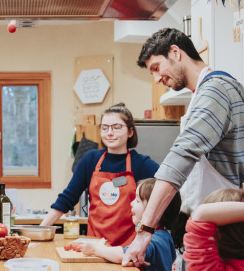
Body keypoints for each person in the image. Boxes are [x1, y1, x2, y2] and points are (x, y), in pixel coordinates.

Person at [123, 29, 244, 271]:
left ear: (175, 52)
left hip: (216, 237)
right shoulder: (203, 93)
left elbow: (182, 156)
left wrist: (145, 231)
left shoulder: (216, 90)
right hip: (201, 232)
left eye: (156, 68)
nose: (157, 78)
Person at [39, 103, 158, 247]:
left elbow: (166, 191)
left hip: (128, 249)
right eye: (105, 127)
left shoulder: (141, 164)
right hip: (94, 247)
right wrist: (40, 232)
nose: (109, 133)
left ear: (130, 132)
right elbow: (67, 198)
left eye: (116, 127)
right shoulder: (91, 159)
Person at [68, 177, 180, 271]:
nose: (131, 203)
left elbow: (124, 255)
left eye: (137, 200)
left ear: (154, 210)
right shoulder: (163, 235)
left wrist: (95, 250)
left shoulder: (155, 240)